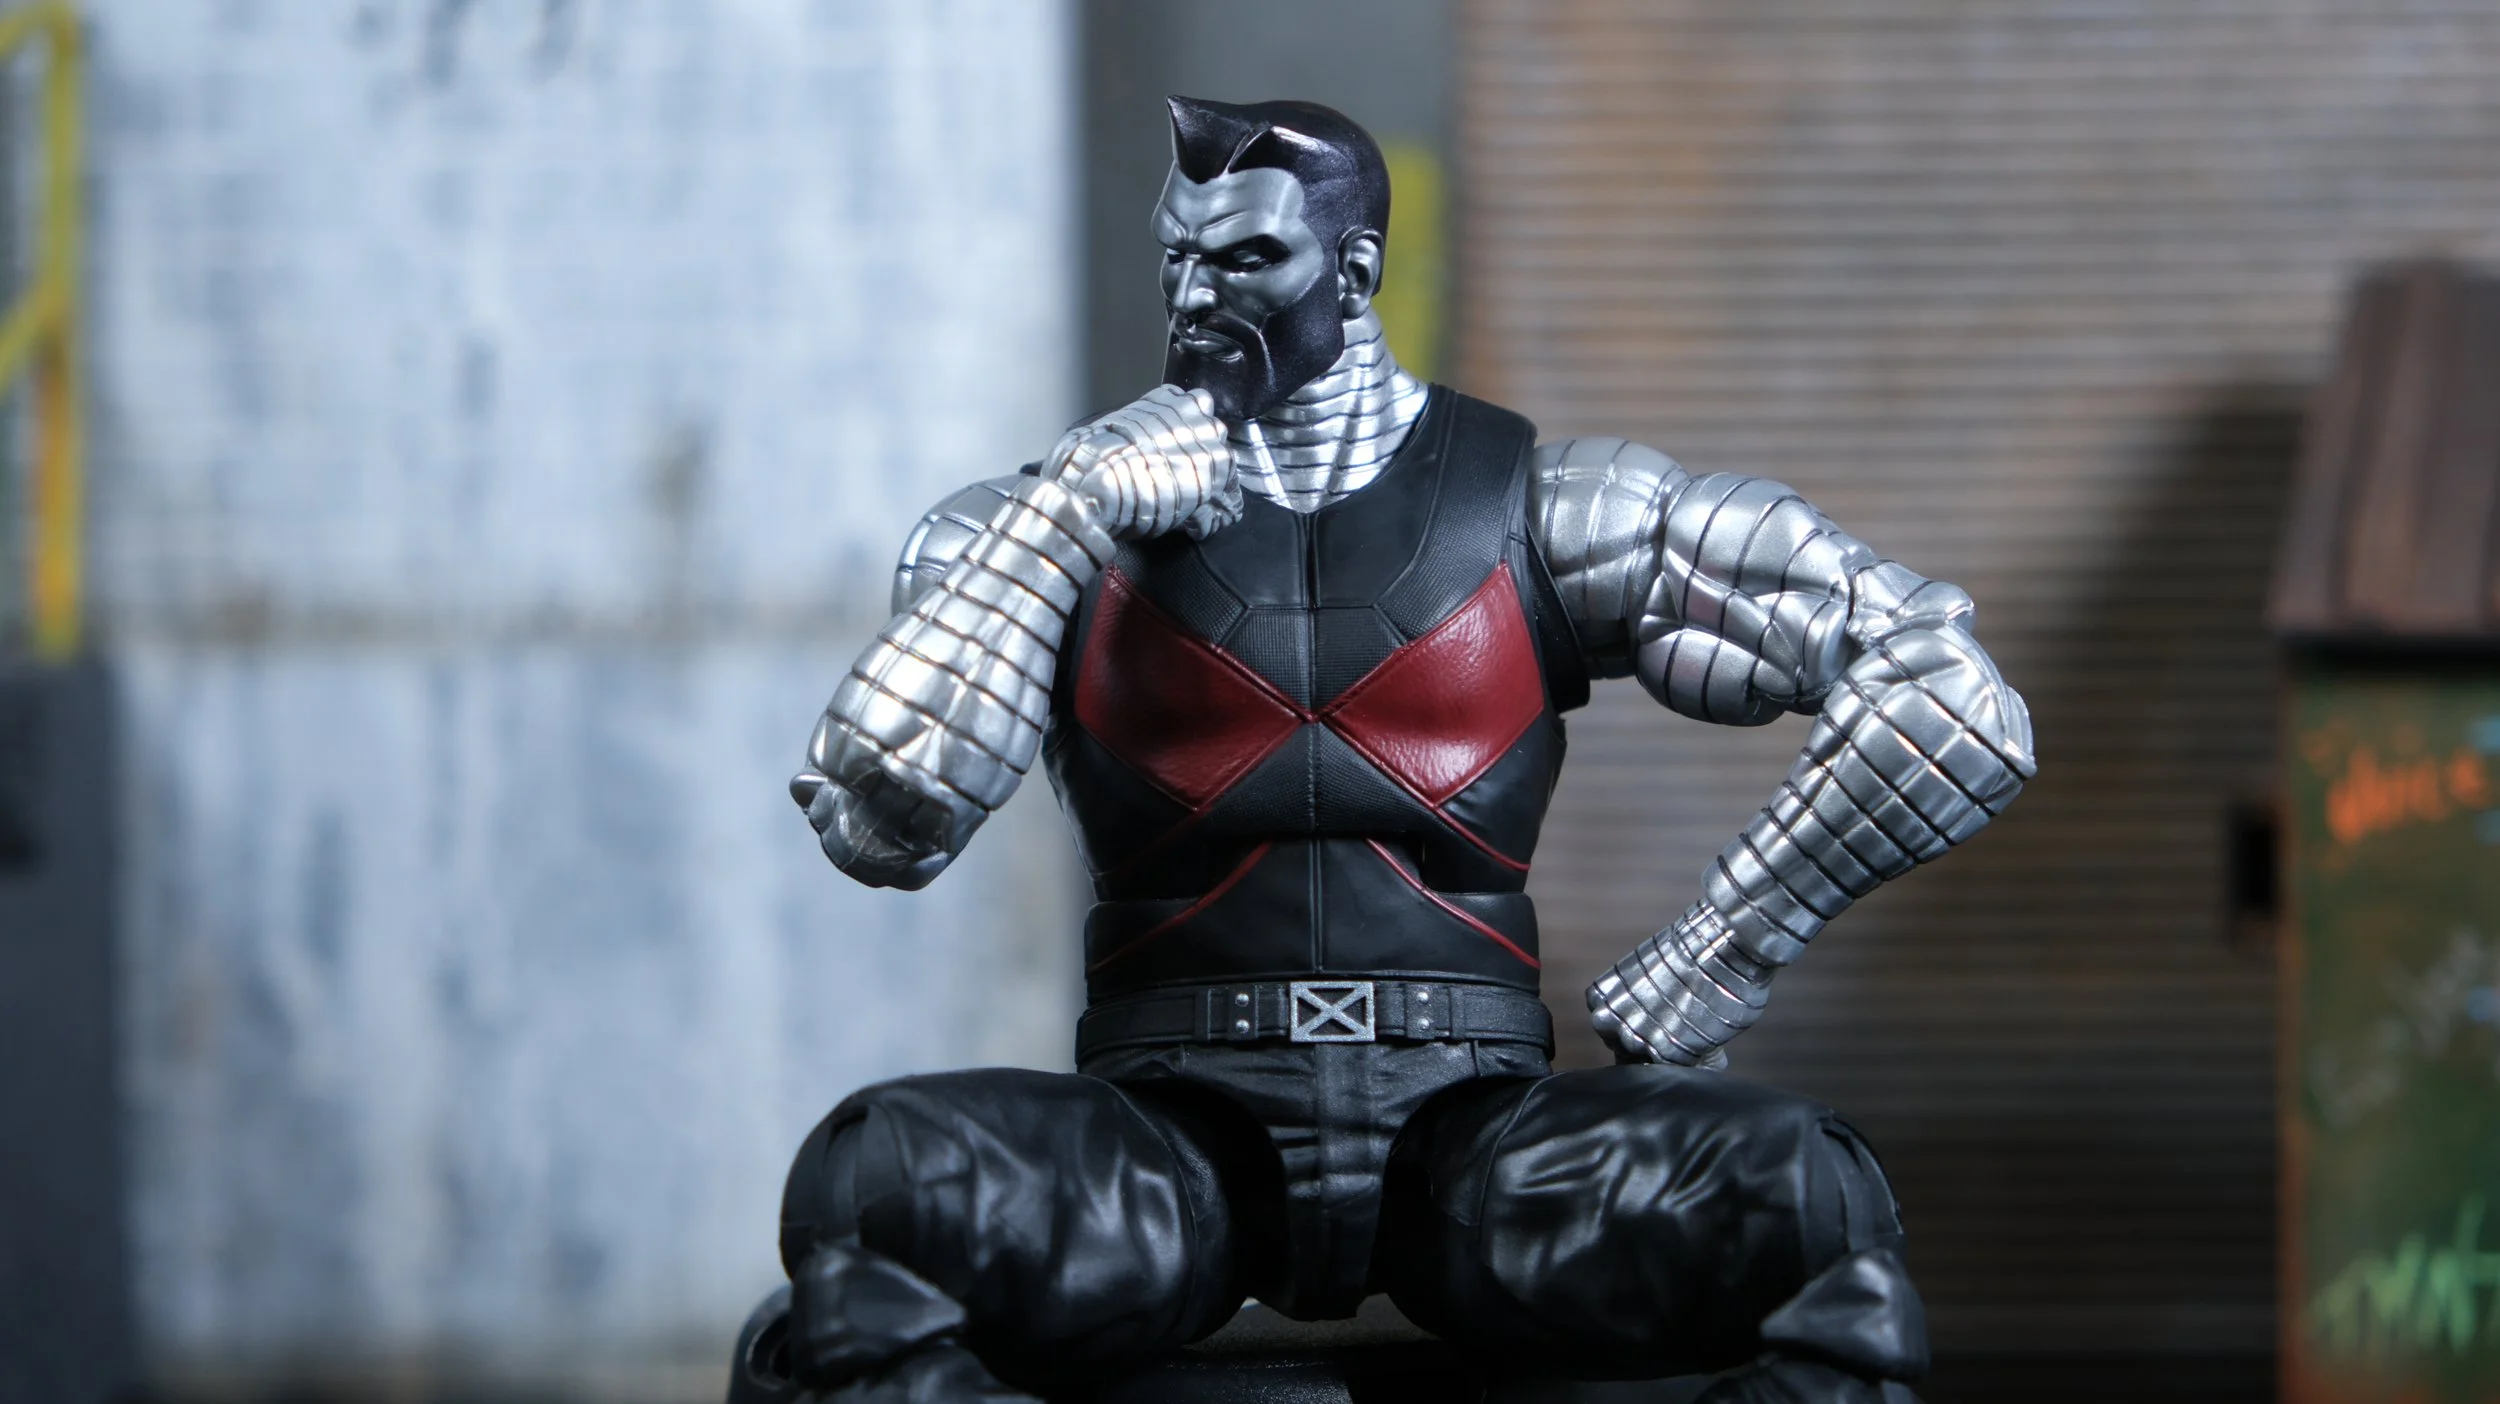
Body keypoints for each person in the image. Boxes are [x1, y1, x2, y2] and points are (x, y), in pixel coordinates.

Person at [770, 96, 2035, 1403]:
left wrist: (1727, 944)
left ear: (1355, 270)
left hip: (1474, 1139)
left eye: (1246, 258)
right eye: (1177, 257)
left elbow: (1952, 698)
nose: (1195, 297)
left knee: (1814, 1203)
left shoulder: (1552, 510)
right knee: (869, 1192)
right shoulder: (1036, 527)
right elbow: (879, 822)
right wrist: (1068, 511)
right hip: (1169, 1138)